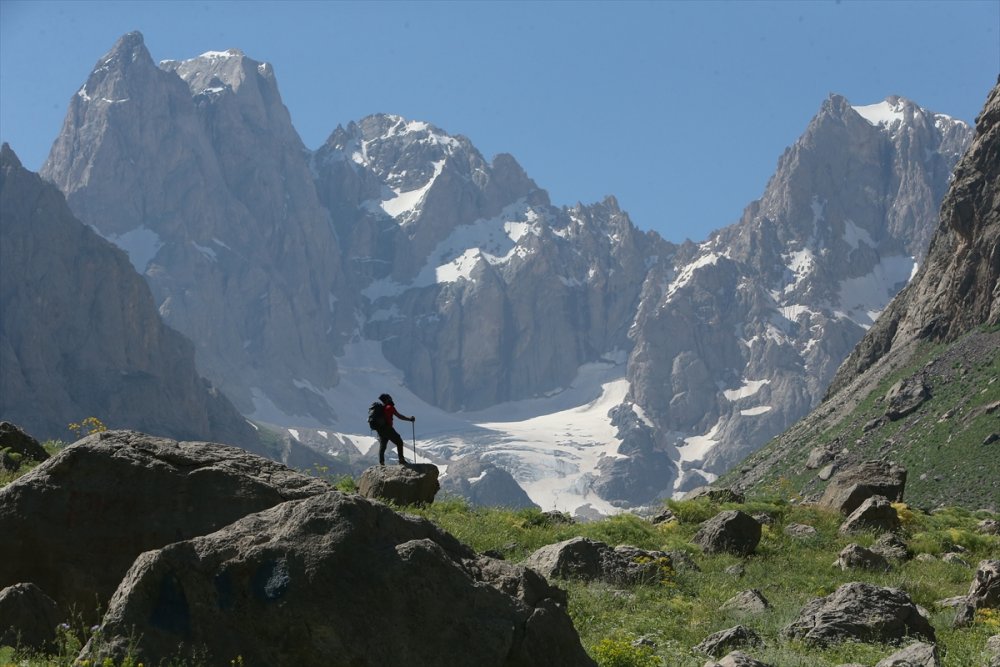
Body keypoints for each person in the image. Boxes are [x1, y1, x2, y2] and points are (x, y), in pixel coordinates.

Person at [376, 393, 415, 465]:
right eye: (390, 398)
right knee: (399, 442)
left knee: (383, 446)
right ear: (387, 400)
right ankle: (401, 460)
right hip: (388, 428)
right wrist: (409, 419)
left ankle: (381, 463)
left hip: (380, 430)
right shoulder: (390, 407)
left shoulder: (381, 408)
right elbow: (399, 416)